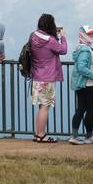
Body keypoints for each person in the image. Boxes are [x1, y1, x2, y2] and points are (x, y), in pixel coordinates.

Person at [28, 13, 68, 143]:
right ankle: (41, 135)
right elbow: (63, 50)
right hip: (48, 77)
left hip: (37, 76)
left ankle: (37, 133)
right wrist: (63, 37)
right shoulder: (50, 41)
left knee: (41, 107)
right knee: (45, 107)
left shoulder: (33, 37)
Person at [68, 25, 93, 144]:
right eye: (89, 33)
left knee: (81, 109)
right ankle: (86, 136)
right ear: (83, 35)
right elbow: (82, 68)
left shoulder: (83, 48)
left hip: (82, 84)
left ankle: (76, 135)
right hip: (90, 84)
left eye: (92, 33)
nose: (92, 35)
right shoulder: (86, 50)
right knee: (88, 110)